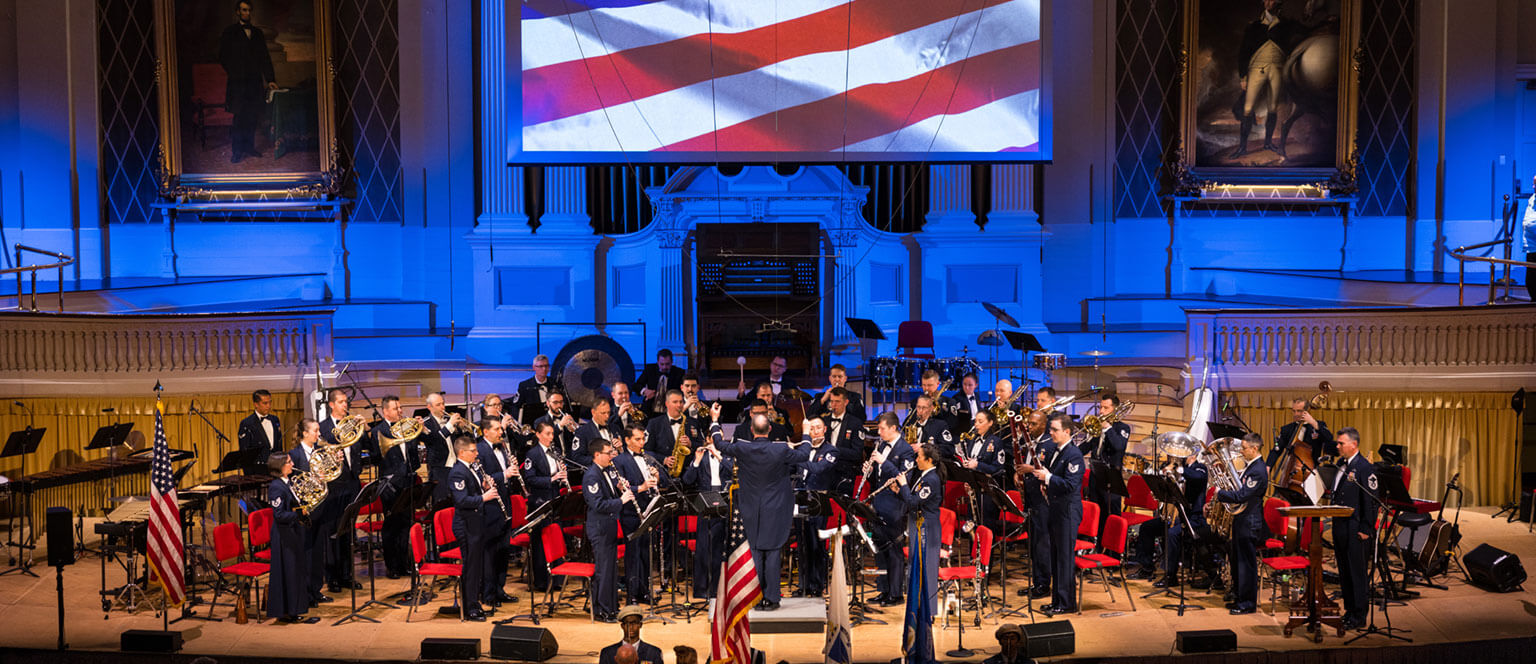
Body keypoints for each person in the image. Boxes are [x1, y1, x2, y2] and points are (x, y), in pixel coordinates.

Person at [703, 404, 805, 610]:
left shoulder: (742, 446)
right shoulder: (781, 448)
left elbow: (719, 444)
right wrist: (808, 433)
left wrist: (715, 419)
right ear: (769, 429)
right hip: (776, 508)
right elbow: (804, 454)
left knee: (756, 551)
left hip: (750, 508)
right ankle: (772, 599)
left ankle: (756, 598)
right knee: (774, 551)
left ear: (751, 430)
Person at [1021, 413, 1085, 615]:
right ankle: (1057, 599)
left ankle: (1066, 603)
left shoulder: (1073, 454)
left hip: (1067, 512)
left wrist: (1047, 477)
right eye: (1051, 429)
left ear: (1067, 432)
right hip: (1055, 510)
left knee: (1065, 559)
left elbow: (1070, 485)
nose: (1051, 433)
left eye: (1055, 430)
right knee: (1056, 557)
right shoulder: (1057, 451)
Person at [1233, 0, 1303, 157]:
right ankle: (1242, 148)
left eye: (1272, 0)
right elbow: (1243, 52)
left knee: (1272, 107)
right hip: (1256, 68)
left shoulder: (1287, 24)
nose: (1268, 2)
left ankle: (1268, 143)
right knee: (1248, 108)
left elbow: (1305, 31)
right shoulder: (1253, 26)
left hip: (1277, 69)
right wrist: (1243, 77)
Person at [896, 441, 943, 655]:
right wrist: (900, 490)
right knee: (918, 568)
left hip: (927, 528)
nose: (916, 461)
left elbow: (914, 501)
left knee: (928, 569)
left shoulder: (932, 479)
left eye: (919, 457)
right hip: (918, 525)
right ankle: (920, 605)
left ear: (929, 460)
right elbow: (911, 500)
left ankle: (928, 611)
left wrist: (904, 485)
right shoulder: (924, 477)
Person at [865, 411, 916, 606]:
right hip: (879, 502)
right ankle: (883, 590)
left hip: (894, 505)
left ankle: (895, 593)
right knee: (879, 549)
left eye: (882, 429)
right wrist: (870, 470)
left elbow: (904, 477)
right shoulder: (881, 445)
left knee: (893, 550)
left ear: (894, 428)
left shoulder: (905, 450)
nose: (879, 432)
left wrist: (883, 463)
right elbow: (879, 477)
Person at [316, 388, 364, 593]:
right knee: (333, 532)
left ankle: (347, 575)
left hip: (351, 484)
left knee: (349, 532)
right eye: (342, 402)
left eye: (346, 402)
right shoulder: (323, 428)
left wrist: (364, 427)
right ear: (332, 404)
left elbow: (362, 449)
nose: (346, 405)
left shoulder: (353, 424)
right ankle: (333, 577)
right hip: (334, 487)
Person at [681, 418, 734, 599]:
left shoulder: (728, 455)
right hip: (704, 501)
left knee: (720, 546)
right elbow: (687, 480)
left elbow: (735, 471)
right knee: (703, 546)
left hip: (724, 499)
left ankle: (718, 589)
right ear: (707, 438)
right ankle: (702, 589)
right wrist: (695, 461)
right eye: (711, 437)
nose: (713, 440)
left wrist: (719, 455)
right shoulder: (700, 455)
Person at [218, 1, 277, 163]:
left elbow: (265, 57)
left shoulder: (258, 33)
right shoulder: (229, 32)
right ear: (238, 12)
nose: (247, 13)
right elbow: (223, 56)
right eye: (244, 10)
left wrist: (270, 79)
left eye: (249, 10)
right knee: (239, 118)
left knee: (252, 117)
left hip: (254, 83)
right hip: (237, 84)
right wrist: (235, 72)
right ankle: (237, 151)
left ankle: (250, 147)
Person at [1217, 433, 1269, 615]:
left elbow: (1241, 496)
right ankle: (1240, 598)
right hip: (1242, 520)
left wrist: (1220, 493)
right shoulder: (1251, 467)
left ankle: (1248, 603)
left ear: (1255, 449)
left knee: (1246, 564)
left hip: (1250, 522)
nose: (1241, 451)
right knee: (1239, 561)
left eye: (1244, 448)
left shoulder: (1258, 470)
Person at [614, 423, 666, 605]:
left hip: (647, 510)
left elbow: (659, 481)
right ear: (627, 440)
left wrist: (656, 478)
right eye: (637, 439)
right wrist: (641, 487)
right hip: (631, 514)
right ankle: (632, 595)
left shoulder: (646, 458)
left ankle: (644, 591)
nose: (642, 442)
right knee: (633, 555)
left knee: (645, 554)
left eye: (643, 438)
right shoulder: (619, 461)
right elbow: (619, 487)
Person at [1331, 427, 1377, 630]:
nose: (1338, 446)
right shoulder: (1341, 464)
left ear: (1354, 444)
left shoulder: (1365, 468)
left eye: (1341, 443)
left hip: (1356, 528)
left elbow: (1371, 502)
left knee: (1357, 574)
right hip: (1341, 526)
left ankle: (1359, 616)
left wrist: (1366, 528)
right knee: (1344, 572)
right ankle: (1349, 612)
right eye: (1338, 443)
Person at [265, 451, 318, 623]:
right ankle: (288, 611)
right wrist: (300, 515)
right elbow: (279, 515)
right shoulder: (276, 487)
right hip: (283, 536)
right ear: (280, 466)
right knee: (288, 571)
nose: (292, 463)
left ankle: (295, 608)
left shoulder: (287, 483)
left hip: (292, 533)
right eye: (288, 461)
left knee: (295, 571)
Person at [448, 435, 498, 621]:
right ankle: (470, 608)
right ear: (462, 452)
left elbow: (472, 491)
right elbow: (461, 501)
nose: (477, 454)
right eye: (473, 451)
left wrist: (484, 488)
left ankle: (474, 602)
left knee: (477, 566)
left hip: (475, 523)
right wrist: (484, 498)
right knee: (470, 567)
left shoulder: (470, 469)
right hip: (466, 525)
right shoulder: (457, 472)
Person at [585, 438, 633, 622]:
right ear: (597, 455)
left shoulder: (605, 471)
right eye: (608, 452)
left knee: (611, 570)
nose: (612, 455)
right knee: (604, 571)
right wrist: (621, 500)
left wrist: (618, 489)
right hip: (600, 528)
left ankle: (611, 607)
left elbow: (606, 496)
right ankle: (602, 610)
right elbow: (597, 504)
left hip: (609, 527)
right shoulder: (591, 475)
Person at [286, 418, 332, 606]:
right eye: (315, 431)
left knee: (318, 551)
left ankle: (316, 589)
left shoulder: (320, 453)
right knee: (305, 552)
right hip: (304, 511)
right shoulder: (294, 455)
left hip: (320, 508)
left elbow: (329, 475)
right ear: (305, 433)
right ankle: (304, 592)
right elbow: (290, 484)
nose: (318, 434)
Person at [374, 395, 421, 578]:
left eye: (400, 408)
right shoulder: (378, 431)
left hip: (407, 482)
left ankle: (405, 564)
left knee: (406, 525)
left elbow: (413, 458)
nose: (400, 411)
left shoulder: (407, 427)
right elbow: (379, 458)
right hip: (390, 486)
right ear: (385, 411)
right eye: (396, 408)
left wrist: (416, 434)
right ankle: (392, 567)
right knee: (391, 528)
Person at [475, 418, 519, 606]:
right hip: (490, 508)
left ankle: (500, 589)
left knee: (503, 551)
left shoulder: (502, 448)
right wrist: (504, 475)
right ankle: (488, 594)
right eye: (496, 429)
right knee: (490, 553)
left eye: (501, 429)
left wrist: (512, 470)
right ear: (485, 432)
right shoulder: (479, 450)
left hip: (505, 505)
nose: (501, 432)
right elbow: (480, 478)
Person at [794, 416, 838, 598]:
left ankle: (817, 585)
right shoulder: (803, 449)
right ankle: (803, 584)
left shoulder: (831, 450)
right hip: (801, 500)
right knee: (802, 545)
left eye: (818, 428)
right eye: (811, 429)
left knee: (817, 546)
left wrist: (795, 456)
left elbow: (819, 469)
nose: (815, 432)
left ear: (825, 429)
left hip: (819, 502)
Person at [522, 421, 566, 593]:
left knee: (555, 537)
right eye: (547, 434)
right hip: (539, 502)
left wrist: (562, 476)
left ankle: (557, 579)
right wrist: (552, 479)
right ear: (538, 435)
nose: (550, 437)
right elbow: (529, 479)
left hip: (554, 500)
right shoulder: (532, 454)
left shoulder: (555, 452)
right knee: (541, 541)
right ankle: (541, 581)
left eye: (552, 434)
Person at [958, 408, 1008, 537]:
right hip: (973, 490)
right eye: (975, 421)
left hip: (988, 493)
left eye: (980, 421)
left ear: (990, 423)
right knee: (971, 525)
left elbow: (998, 468)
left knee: (986, 526)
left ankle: (987, 557)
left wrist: (978, 465)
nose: (976, 425)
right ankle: (973, 555)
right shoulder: (972, 440)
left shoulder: (996, 442)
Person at [1087, 393, 1131, 528]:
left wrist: (1107, 428)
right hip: (1095, 476)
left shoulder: (1122, 428)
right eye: (1101, 407)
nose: (1101, 411)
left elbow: (1118, 446)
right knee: (1095, 516)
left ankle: (1115, 549)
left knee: (1112, 517)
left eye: (1105, 408)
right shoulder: (1097, 427)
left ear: (1115, 409)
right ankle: (1097, 546)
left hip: (1111, 478)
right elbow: (1086, 447)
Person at [1266, 397, 1335, 472]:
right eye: (1294, 411)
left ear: (1307, 411)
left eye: (1299, 411)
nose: (1296, 414)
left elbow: (1329, 439)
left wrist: (1314, 423)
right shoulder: (1287, 429)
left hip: (1311, 470)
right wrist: (1268, 467)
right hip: (1290, 469)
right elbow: (1276, 451)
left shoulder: (1318, 425)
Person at [421, 392, 463, 502]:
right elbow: (435, 441)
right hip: (439, 468)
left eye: (443, 404)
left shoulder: (448, 420)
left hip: (456, 465)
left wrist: (460, 429)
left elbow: (458, 442)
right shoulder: (426, 424)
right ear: (429, 407)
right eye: (438, 405)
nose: (443, 407)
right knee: (442, 502)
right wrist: (449, 425)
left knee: (458, 500)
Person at [597, 605, 664, 664]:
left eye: (634, 623)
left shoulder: (654, 653)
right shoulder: (607, 653)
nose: (631, 627)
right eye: (627, 623)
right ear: (622, 626)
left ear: (640, 625)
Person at [237, 389, 281, 473]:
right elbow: (245, 452)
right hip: (257, 470)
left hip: (275, 468)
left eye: (270, 402)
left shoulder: (275, 419)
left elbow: (279, 445)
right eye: (265, 403)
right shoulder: (247, 423)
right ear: (255, 404)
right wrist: (248, 475)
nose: (268, 406)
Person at [634, 348, 686, 414]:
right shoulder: (649, 369)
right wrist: (645, 391)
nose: (664, 367)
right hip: (650, 410)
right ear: (657, 362)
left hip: (670, 411)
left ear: (672, 362)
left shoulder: (679, 373)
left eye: (667, 364)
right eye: (662, 364)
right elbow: (636, 386)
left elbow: (683, 391)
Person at [516, 354, 561, 426]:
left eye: (546, 366)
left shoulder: (555, 383)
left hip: (553, 423)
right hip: (533, 424)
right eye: (540, 366)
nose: (544, 369)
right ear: (534, 367)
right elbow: (517, 406)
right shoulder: (524, 385)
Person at [1523, 174, 1536, 301]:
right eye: (1533, 183)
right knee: (1531, 281)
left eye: (1535, 184)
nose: (1533, 186)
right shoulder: (1532, 199)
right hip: (1531, 246)